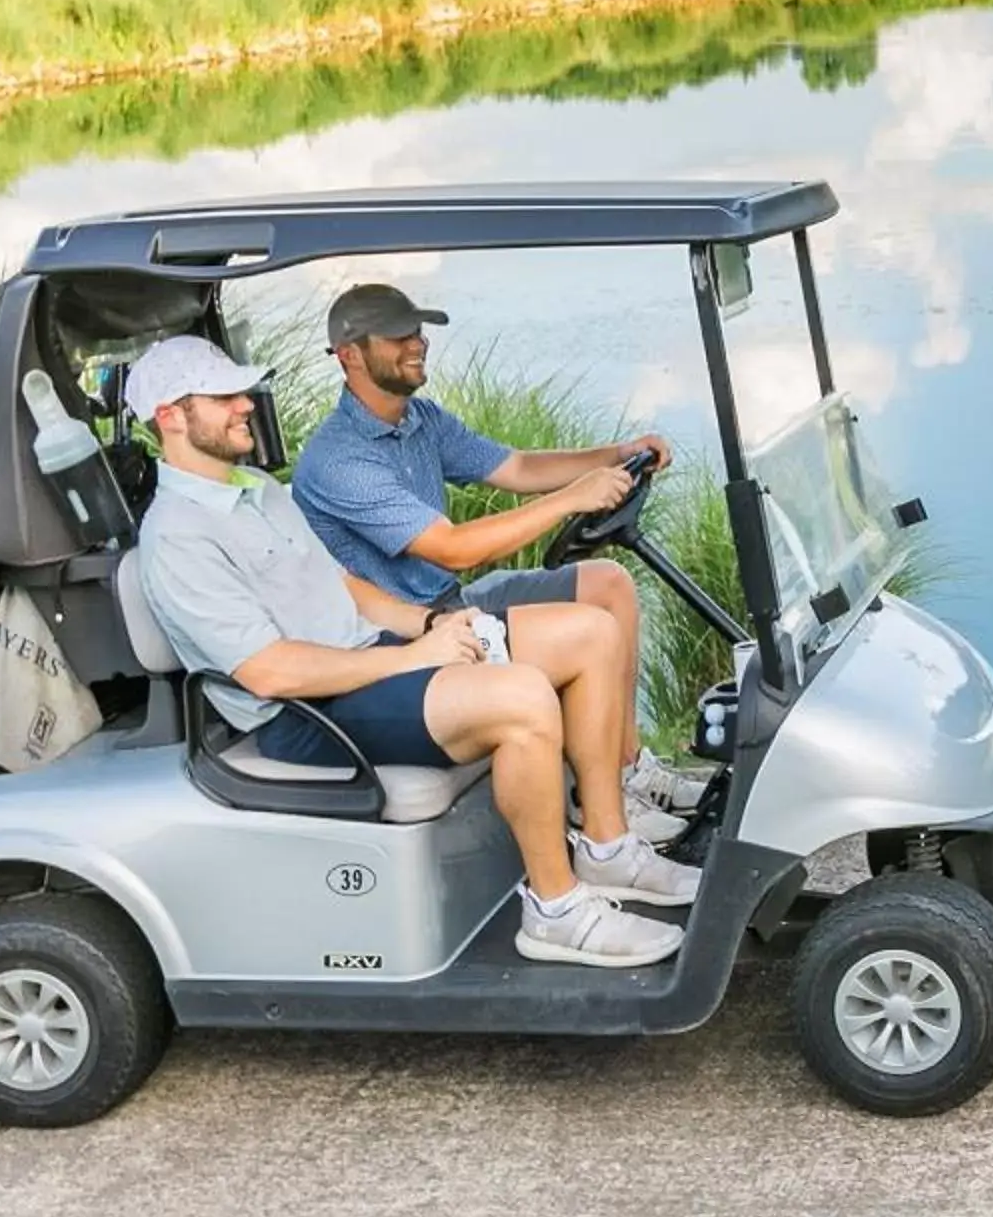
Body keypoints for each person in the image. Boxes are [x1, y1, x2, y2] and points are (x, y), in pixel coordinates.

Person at [128, 334, 698, 968]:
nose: (245, 405)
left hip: (368, 660)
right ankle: (556, 909)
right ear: (171, 418)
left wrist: (427, 623)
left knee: (591, 631)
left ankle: (607, 845)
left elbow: (343, 588)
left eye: (242, 391)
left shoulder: (254, 488)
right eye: (224, 397)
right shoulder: (178, 536)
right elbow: (269, 670)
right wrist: (410, 657)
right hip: (312, 715)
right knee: (523, 695)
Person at [292, 283, 708, 834]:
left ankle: (623, 772)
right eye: (398, 336)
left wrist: (616, 455)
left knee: (610, 584)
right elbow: (454, 548)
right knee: (588, 632)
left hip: (449, 601)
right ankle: (600, 816)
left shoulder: (420, 419)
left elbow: (514, 468)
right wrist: (573, 499)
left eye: (417, 331)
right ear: (350, 355)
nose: (417, 344)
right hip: (409, 635)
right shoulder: (339, 460)